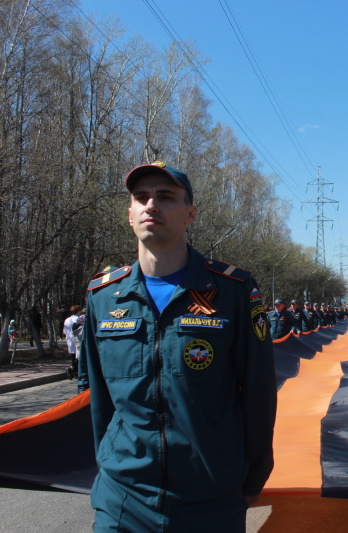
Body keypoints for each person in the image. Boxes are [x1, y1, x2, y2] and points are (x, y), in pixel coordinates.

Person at [77, 161, 277, 532]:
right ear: (130, 214)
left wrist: (254, 477)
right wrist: (109, 461)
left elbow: (258, 392)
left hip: (209, 497)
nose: (151, 205)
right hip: (123, 498)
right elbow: (98, 397)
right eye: (141, 197)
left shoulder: (233, 290)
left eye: (165, 197)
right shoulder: (104, 296)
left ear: (190, 214)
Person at [63, 305, 82, 377]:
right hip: (78, 340)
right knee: (79, 356)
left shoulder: (67, 320)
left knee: (73, 356)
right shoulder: (79, 319)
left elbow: (64, 331)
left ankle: (74, 370)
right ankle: (72, 368)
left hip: (70, 340)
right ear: (78, 311)